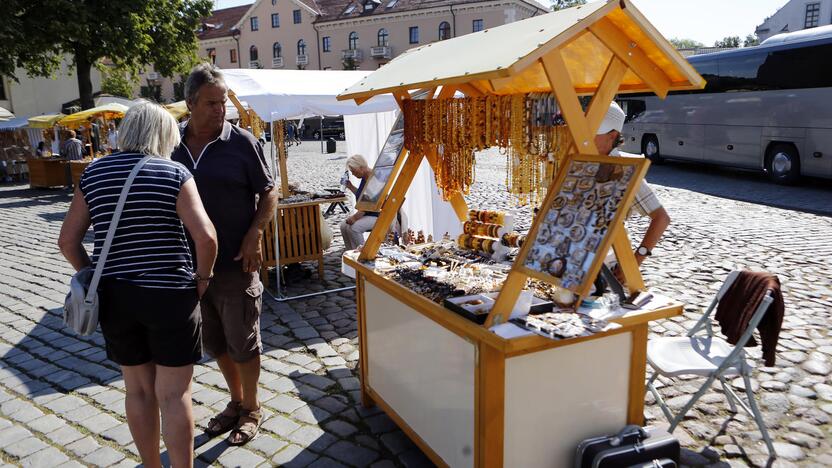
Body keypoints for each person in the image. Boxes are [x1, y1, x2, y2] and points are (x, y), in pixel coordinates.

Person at [58, 101, 218, 468]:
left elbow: (68, 241)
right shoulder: (174, 173)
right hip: (170, 295)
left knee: (139, 391)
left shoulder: (94, 173)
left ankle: (151, 465)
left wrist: (93, 277)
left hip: (115, 297)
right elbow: (206, 238)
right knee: (174, 395)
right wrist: (203, 279)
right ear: (164, 135)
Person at [172, 63, 278, 446]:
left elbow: (269, 191)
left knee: (244, 341)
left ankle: (252, 407)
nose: (221, 110)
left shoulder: (242, 142)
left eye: (224, 102)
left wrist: (256, 232)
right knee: (215, 342)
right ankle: (235, 401)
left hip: (236, 261)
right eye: (213, 103)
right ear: (190, 103)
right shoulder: (172, 145)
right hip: (190, 266)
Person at [594, 102, 670, 280]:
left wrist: (636, 260)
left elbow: (661, 218)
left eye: (594, 133)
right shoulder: (581, 161)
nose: (586, 137)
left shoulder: (625, 170)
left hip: (604, 265)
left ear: (612, 136)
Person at [339, 154, 379, 250]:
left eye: (354, 171)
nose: (352, 174)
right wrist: (351, 186)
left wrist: (354, 218)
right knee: (343, 226)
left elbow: (369, 204)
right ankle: (351, 252)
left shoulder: (373, 179)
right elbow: (362, 196)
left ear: (361, 168)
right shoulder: (365, 177)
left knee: (354, 228)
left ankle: (363, 253)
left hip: (377, 214)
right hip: (368, 213)